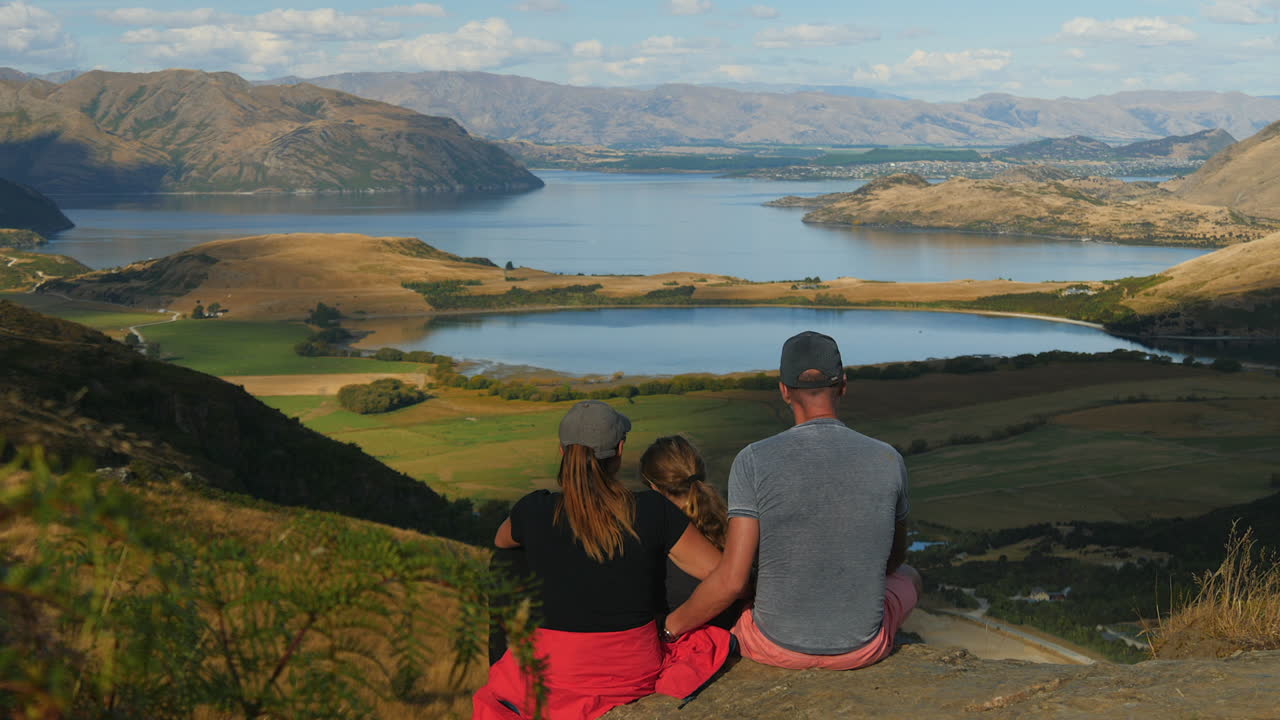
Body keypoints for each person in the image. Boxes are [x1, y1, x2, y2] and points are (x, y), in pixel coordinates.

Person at [663, 331, 923, 670]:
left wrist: (669, 630)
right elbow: (893, 560)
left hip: (772, 646)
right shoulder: (889, 459)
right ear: (843, 385)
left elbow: (733, 580)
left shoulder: (753, 459)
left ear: (784, 390)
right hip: (862, 649)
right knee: (912, 575)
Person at [474, 400, 733, 720]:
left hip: (555, 675)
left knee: (508, 561)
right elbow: (722, 575)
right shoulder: (652, 509)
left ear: (561, 450)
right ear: (620, 450)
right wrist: (670, 628)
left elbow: (502, 542)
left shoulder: (533, 510)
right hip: (633, 675)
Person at [638, 435, 743, 630]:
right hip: (728, 631)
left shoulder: (657, 541)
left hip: (683, 636)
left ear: (654, 487)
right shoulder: (734, 524)